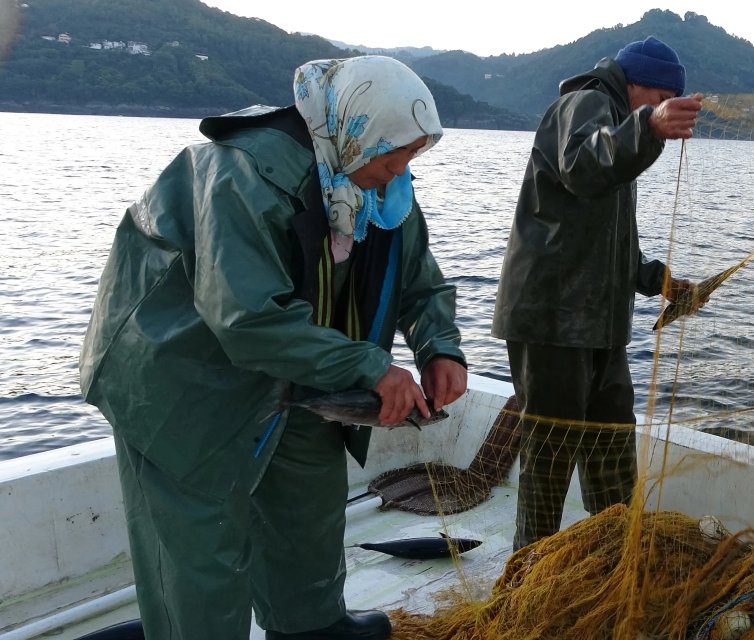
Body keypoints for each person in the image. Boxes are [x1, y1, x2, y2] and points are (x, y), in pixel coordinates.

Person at [79, 56, 468, 640]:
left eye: (413, 155)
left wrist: (441, 347)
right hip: (182, 377)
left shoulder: (375, 183)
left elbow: (419, 279)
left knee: (308, 510)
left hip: (299, 376)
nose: (400, 169)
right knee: (200, 552)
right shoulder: (241, 175)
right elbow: (246, 318)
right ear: (358, 130)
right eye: (396, 154)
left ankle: (312, 627)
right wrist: (372, 367)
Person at [491, 36, 705, 551]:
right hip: (551, 322)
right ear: (637, 87)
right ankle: (528, 574)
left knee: (612, 445)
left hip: (598, 326)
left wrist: (658, 279)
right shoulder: (585, 103)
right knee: (551, 454)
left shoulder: (620, 130)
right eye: (658, 101)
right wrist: (648, 127)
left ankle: (613, 555)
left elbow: (608, 243)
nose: (661, 114)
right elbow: (584, 167)